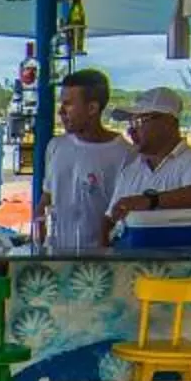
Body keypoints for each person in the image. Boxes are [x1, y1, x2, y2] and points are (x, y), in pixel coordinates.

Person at [39, 69, 134, 252]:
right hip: (56, 255)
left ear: (92, 108)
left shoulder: (125, 155)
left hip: (99, 260)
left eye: (68, 105)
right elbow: (47, 198)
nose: (61, 112)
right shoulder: (56, 146)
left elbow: (123, 215)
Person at [107, 87, 191, 235]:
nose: (131, 131)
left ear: (168, 122)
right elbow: (110, 219)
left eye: (139, 121)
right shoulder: (130, 171)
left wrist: (149, 201)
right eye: (130, 123)